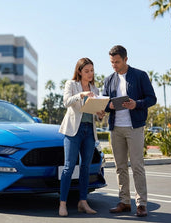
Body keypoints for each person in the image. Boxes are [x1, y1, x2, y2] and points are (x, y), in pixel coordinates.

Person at [102, 45, 157, 217]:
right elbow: (104, 102)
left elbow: (151, 98)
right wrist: (108, 105)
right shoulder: (109, 79)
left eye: (117, 62)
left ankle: (141, 204)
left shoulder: (140, 75)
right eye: (112, 62)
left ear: (126, 59)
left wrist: (136, 104)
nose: (114, 65)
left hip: (134, 127)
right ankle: (124, 202)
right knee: (120, 167)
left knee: (137, 166)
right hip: (115, 128)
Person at [58, 57, 106, 217]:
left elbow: (96, 115)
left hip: (89, 131)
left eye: (92, 70)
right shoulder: (71, 85)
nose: (90, 73)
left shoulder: (96, 89)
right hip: (73, 131)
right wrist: (81, 94)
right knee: (69, 167)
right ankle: (63, 204)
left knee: (85, 167)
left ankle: (83, 202)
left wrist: (100, 114)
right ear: (79, 71)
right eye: (87, 71)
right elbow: (66, 102)